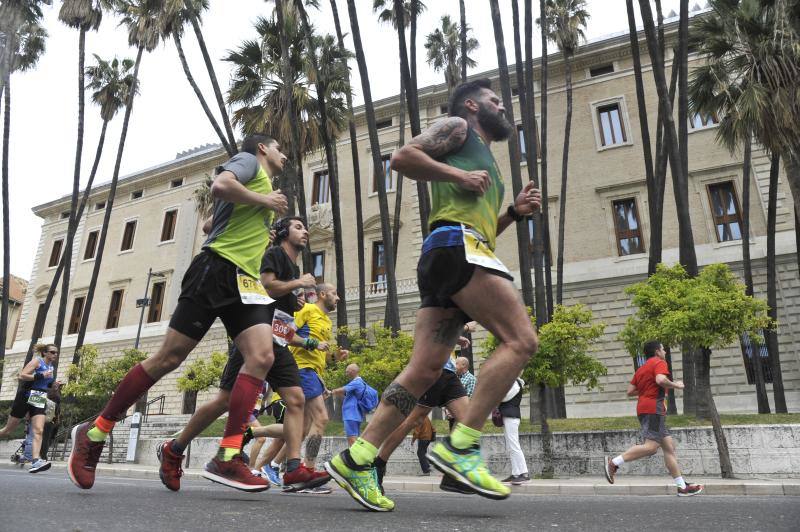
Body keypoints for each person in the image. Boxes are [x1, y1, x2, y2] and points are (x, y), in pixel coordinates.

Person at [325, 78, 542, 512]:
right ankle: (462, 445)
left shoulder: (483, 159)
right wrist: (457, 172)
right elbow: (403, 157)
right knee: (522, 341)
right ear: (472, 105)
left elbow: (477, 225)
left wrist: (513, 213)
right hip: (456, 248)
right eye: (494, 101)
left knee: (422, 371)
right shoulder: (458, 127)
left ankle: (358, 456)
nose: (502, 107)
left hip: (453, 251)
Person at [68, 134, 288, 492]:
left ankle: (228, 457)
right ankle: (96, 431)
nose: (284, 155)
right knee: (169, 358)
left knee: (261, 356)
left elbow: (208, 225)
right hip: (215, 270)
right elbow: (220, 185)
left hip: (245, 282)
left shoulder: (258, 182)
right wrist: (262, 199)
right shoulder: (249, 163)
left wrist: (248, 220)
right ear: (263, 148)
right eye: (280, 148)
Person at [157, 216, 329, 493]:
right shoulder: (274, 254)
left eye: (305, 227)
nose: (305, 231)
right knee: (224, 400)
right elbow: (266, 284)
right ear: (284, 232)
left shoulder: (291, 264)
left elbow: (277, 297)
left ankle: (294, 468)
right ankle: (174, 448)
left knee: (296, 400)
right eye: (298, 227)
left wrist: (294, 302)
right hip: (255, 336)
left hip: (278, 339)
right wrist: (297, 282)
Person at [372, 337, 473, 496]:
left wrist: (455, 338)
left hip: (449, 372)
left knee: (468, 419)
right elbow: (435, 322)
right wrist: (462, 331)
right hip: (433, 369)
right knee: (414, 420)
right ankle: (378, 465)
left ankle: (451, 469)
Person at [604, 340, 703, 497]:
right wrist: (676, 385)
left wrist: (646, 390)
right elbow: (660, 380)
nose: (665, 352)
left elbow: (630, 391)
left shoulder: (641, 369)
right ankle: (614, 463)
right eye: (663, 349)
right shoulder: (659, 363)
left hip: (644, 408)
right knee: (650, 447)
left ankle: (681, 486)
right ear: (657, 351)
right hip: (653, 409)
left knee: (669, 447)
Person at [290, 283, 349, 471]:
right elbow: (285, 334)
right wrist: (312, 343)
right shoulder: (306, 309)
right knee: (322, 418)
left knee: (303, 428)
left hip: (315, 372)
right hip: (302, 369)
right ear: (322, 294)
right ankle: (307, 470)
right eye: (334, 293)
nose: (338, 298)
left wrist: (334, 357)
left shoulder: (327, 321)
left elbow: (322, 352)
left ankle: (277, 466)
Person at [5, 344, 58, 473]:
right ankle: (35, 460)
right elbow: (22, 375)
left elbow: (45, 382)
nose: (55, 355)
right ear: (45, 353)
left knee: (38, 430)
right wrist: (41, 376)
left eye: (56, 353)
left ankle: (35, 461)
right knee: (8, 430)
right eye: (52, 352)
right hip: (25, 395)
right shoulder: (37, 361)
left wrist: (53, 384)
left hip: (39, 396)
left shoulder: (51, 367)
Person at [498, 377, 529, 485]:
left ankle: (524, 473)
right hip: (508, 416)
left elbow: (505, 397)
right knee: (510, 446)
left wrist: (497, 395)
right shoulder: (511, 382)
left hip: (512, 416)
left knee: (514, 445)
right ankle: (515, 473)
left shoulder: (515, 383)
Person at [330, 364, 367, 446]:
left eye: (347, 371)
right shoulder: (360, 383)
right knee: (356, 438)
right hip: (355, 414)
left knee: (351, 439)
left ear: (353, 371)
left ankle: (354, 457)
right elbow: (345, 395)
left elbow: (341, 389)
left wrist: (330, 392)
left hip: (351, 414)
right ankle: (358, 457)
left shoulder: (356, 382)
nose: (346, 373)